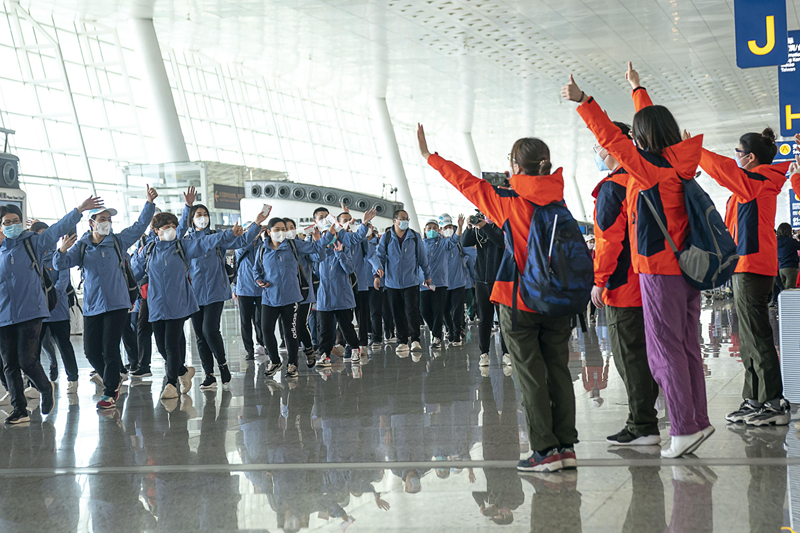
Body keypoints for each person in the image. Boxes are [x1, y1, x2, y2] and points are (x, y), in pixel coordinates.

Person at [563, 63, 711, 458]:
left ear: (642, 139)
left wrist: (584, 101)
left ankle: (683, 429)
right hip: (687, 270)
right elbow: (649, 122)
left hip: (659, 272)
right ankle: (697, 419)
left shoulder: (649, 171)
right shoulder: (679, 164)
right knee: (687, 347)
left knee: (664, 352)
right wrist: (636, 89)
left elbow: (613, 138)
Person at [418, 124, 578, 473]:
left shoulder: (508, 200)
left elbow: (466, 182)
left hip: (520, 298)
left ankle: (545, 450)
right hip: (558, 298)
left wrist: (430, 157)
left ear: (516, 167)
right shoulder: (559, 199)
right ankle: (566, 446)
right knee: (558, 369)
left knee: (530, 374)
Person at [689, 123, 790, 426]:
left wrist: (695, 151)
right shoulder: (753, 183)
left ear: (750, 157)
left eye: (738, 152)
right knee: (748, 338)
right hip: (744, 266)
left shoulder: (758, 181)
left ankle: (772, 402)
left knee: (757, 336)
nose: (735, 156)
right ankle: (754, 399)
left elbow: (723, 171)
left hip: (753, 267)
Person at [587, 120, 661, 446]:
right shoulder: (644, 178)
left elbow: (608, 241)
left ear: (611, 147)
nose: (596, 151)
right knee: (646, 353)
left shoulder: (612, 188)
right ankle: (646, 416)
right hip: (652, 282)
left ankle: (642, 424)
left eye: (598, 145)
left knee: (629, 356)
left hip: (623, 287)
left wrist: (599, 281)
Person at [0, 195, 102, 424]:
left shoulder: (32, 243)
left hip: (31, 312)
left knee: (27, 360)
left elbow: (57, 229)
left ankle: (46, 388)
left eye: (15, 221)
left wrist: (79, 210)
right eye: (7, 222)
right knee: (9, 364)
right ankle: (19, 410)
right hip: (4, 316)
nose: (12, 225)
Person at [54, 186, 158, 410]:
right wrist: (61, 250)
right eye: (102, 219)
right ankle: (113, 378)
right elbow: (61, 264)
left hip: (118, 303)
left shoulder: (118, 241)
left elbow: (139, 227)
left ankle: (110, 392)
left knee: (110, 349)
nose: (106, 223)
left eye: (109, 219)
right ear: (91, 222)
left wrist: (149, 204)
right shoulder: (82, 247)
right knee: (91, 351)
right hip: (93, 306)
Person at [132, 213, 248, 400]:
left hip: (178, 303)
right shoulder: (148, 250)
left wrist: (230, 234)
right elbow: (134, 272)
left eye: (174, 226)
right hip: (156, 305)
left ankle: (171, 384)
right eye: (166, 227)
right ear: (156, 230)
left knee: (171, 345)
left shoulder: (182, 246)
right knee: (161, 347)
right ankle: (183, 371)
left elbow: (206, 242)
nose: (171, 230)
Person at [178, 186, 262, 391]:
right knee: (200, 335)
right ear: (191, 219)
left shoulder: (218, 237)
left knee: (210, 329)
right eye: (198, 215)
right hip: (194, 293)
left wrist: (256, 224)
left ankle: (223, 365)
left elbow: (242, 241)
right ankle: (209, 375)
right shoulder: (186, 241)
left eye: (205, 214)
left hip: (216, 290)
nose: (203, 218)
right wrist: (188, 206)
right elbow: (178, 233)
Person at [254, 218, 338, 379]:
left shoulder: (293, 245)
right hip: (269, 297)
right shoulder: (262, 249)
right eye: (277, 229)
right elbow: (256, 270)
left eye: (283, 229)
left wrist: (329, 235)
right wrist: (258, 280)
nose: (281, 232)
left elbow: (316, 247)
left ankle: (292, 364)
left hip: (291, 296)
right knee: (266, 330)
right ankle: (275, 361)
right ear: (269, 232)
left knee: (291, 331)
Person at [373, 210, 432, 355]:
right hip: (392, 282)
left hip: (411, 281)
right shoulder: (387, 237)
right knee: (397, 312)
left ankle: (415, 339)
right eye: (402, 218)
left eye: (407, 219)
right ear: (394, 220)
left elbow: (422, 257)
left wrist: (427, 275)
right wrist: (376, 275)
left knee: (412, 310)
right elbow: (379, 257)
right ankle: (402, 341)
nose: (405, 221)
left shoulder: (414, 237)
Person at [32, 221, 79, 394]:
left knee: (64, 345)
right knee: (34, 349)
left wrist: (50, 296)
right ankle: (33, 383)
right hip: (38, 313)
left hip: (58, 311)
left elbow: (63, 280)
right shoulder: (32, 258)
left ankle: (72, 379)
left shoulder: (59, 256)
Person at [461, 216, 509, 367]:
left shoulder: (502, 227)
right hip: (481, 280)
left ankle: (506, 353)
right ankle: (484, 353)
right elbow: (465, 242)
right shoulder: (478, 230)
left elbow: (501, 242)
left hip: (500, 280)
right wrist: (469, 228)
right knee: (484, 319)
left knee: (503, 320)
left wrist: (485, 227)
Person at [315, 236, 363, 367]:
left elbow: (350, 268)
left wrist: (339, 253)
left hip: (342, 296)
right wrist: (318, 246)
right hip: (325, 297)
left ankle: (354, 348)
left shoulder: (344, 249)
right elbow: (316, 271)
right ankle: (324, 354)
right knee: (325, 329)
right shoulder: (320, 252)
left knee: (346, 326)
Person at [419, 218, 459, 348]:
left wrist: (459, 226)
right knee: (424, 311)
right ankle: (435, 329)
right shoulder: (420, 245)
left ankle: (436, 337)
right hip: (424, 284)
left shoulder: (443, 243)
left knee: (438, 310)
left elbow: (455, 239)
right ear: (425, 230)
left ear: (439, 231)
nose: (432, 230)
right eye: (429, 228)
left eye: (434, 228)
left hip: (440, 283)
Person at [234, 223, 265, 362]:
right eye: (248, 231)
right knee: (245, 321)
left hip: (261, 289)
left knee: (261, 320)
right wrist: (252, 238)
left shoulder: (263, 246)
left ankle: (263, 344)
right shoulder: (240, 246)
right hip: (244, 289)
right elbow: (240, 252)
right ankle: (249, 350)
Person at [440, 214, 468, 346]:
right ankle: (450, 329)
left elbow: (469, 254)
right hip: (443, 283)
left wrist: (461, 227)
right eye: (445, 227)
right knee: (444, 309)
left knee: (457, 309)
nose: (448, 229)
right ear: (441, 230)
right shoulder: (438, 243)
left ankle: (457, 334)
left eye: (450, 226)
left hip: (458, 281)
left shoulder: (459, 241)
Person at [777, 223, 800, 291]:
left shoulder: (776, 241)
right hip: (791, 267)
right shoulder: (791, 241)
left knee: (783, 289)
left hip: (781, 268)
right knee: (790, 290)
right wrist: (798, 238)